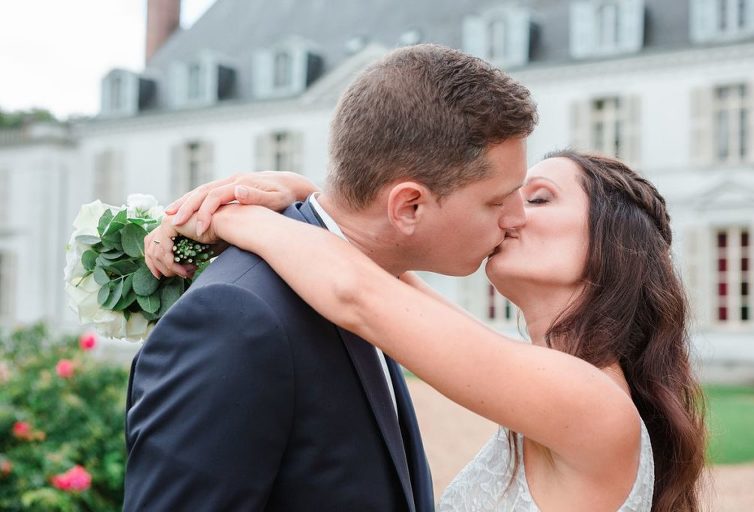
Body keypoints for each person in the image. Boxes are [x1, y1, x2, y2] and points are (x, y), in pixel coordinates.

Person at [149, 151, 707, 511]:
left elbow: (360, 295)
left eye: (536, 198)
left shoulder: (590, 403)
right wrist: (301, 196)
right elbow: (386, 284)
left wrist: (221, 215)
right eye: (504, 197)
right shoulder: (559, 382)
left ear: (614, 244)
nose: (509, 214)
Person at [123, 43, 537, 511]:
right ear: (409, 207)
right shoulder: (238, 318)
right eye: (498, 200)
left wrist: (251, 210)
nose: (517, 218)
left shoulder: (379, 291)